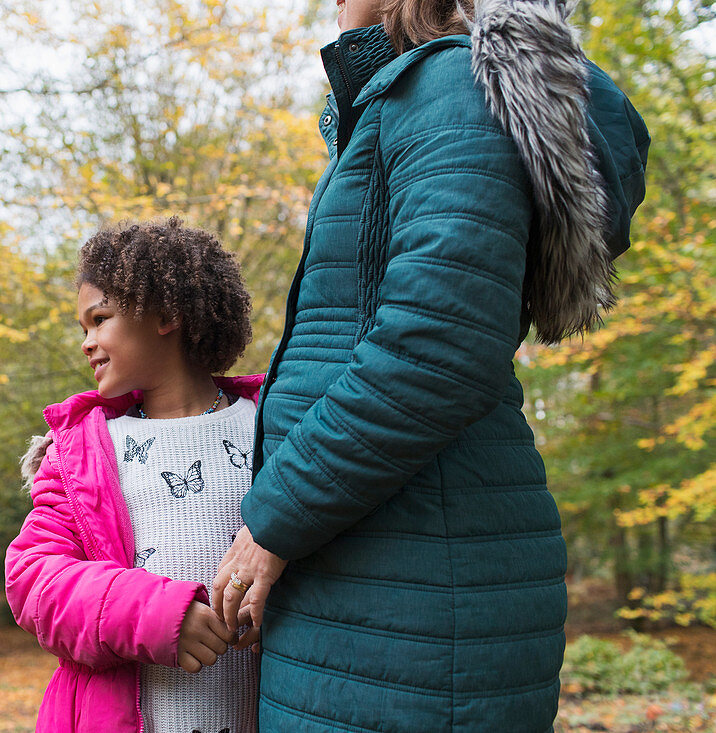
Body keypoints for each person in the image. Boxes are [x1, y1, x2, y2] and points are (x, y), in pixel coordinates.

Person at [210, 0, 649, 730]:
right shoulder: (409, 97)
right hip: (381, 568)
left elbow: (437, 345)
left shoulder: (447, 87)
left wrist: (272, 522)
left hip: (415, 584)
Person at [6, 218, 264, 733]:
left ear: (166, 313)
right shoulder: (81, 452)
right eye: (84, 328)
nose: (87, 342)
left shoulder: (273, 424)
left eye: (99, 319)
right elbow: (35, 581)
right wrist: (157, 615)